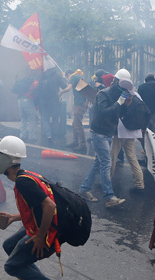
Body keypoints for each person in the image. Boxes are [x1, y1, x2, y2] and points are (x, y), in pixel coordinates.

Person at [0, 136, 67, 280]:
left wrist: (40, 236)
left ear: (7, 160)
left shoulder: (23, 182)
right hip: (41, 225)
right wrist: (11, 217)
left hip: (48, 230)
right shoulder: (25, 176)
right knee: (9, 245)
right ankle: (31, 278)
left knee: (11, 266)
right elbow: (35, 209)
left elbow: (50, 206)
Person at [79, 70, 128, 208]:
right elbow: (104, 111)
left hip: (108, 132)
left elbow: (119, 114)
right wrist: (119, 102)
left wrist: (126, 104)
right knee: (106, 163)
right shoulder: (103, 93)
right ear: (117, 82)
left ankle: (84, 189)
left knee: (99, 163)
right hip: (98, 133)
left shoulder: (119, 94)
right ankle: (109, 197)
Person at [110, 69, 145, 192]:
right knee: (132, 157)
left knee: (112, 156)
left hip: (121, 131)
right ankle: (139, 184)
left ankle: (107, 182)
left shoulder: (121, 94)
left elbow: (115, 110)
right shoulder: (136, 94)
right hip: (133, 131)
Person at [36, 67, 68, 145]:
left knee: (45, 119)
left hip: (44, 101)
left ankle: (48, 135)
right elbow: (65, 86)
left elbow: (38, 88)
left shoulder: (42, 74)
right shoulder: (57, 74)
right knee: (55, 119)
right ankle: (54, 137)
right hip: (54, 101)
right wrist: (63, 78)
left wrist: (37, 102)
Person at [62, 69, 88, 151]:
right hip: (81, 103)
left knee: (78, 124)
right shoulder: (79, 77)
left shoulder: (73, 77)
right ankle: (75, 141)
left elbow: (68, 88)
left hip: (79, 104)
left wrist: (61, 92)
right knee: (74, 123)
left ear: (68, 74)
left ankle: (83, 144)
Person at [13, 73, 39, 143]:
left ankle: (23, 135)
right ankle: (32, 136)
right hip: (28, 99)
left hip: (20, 100)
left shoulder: (22, 83)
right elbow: (37, 89)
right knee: (31, 119)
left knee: (23, 119)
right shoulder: (34, 83)